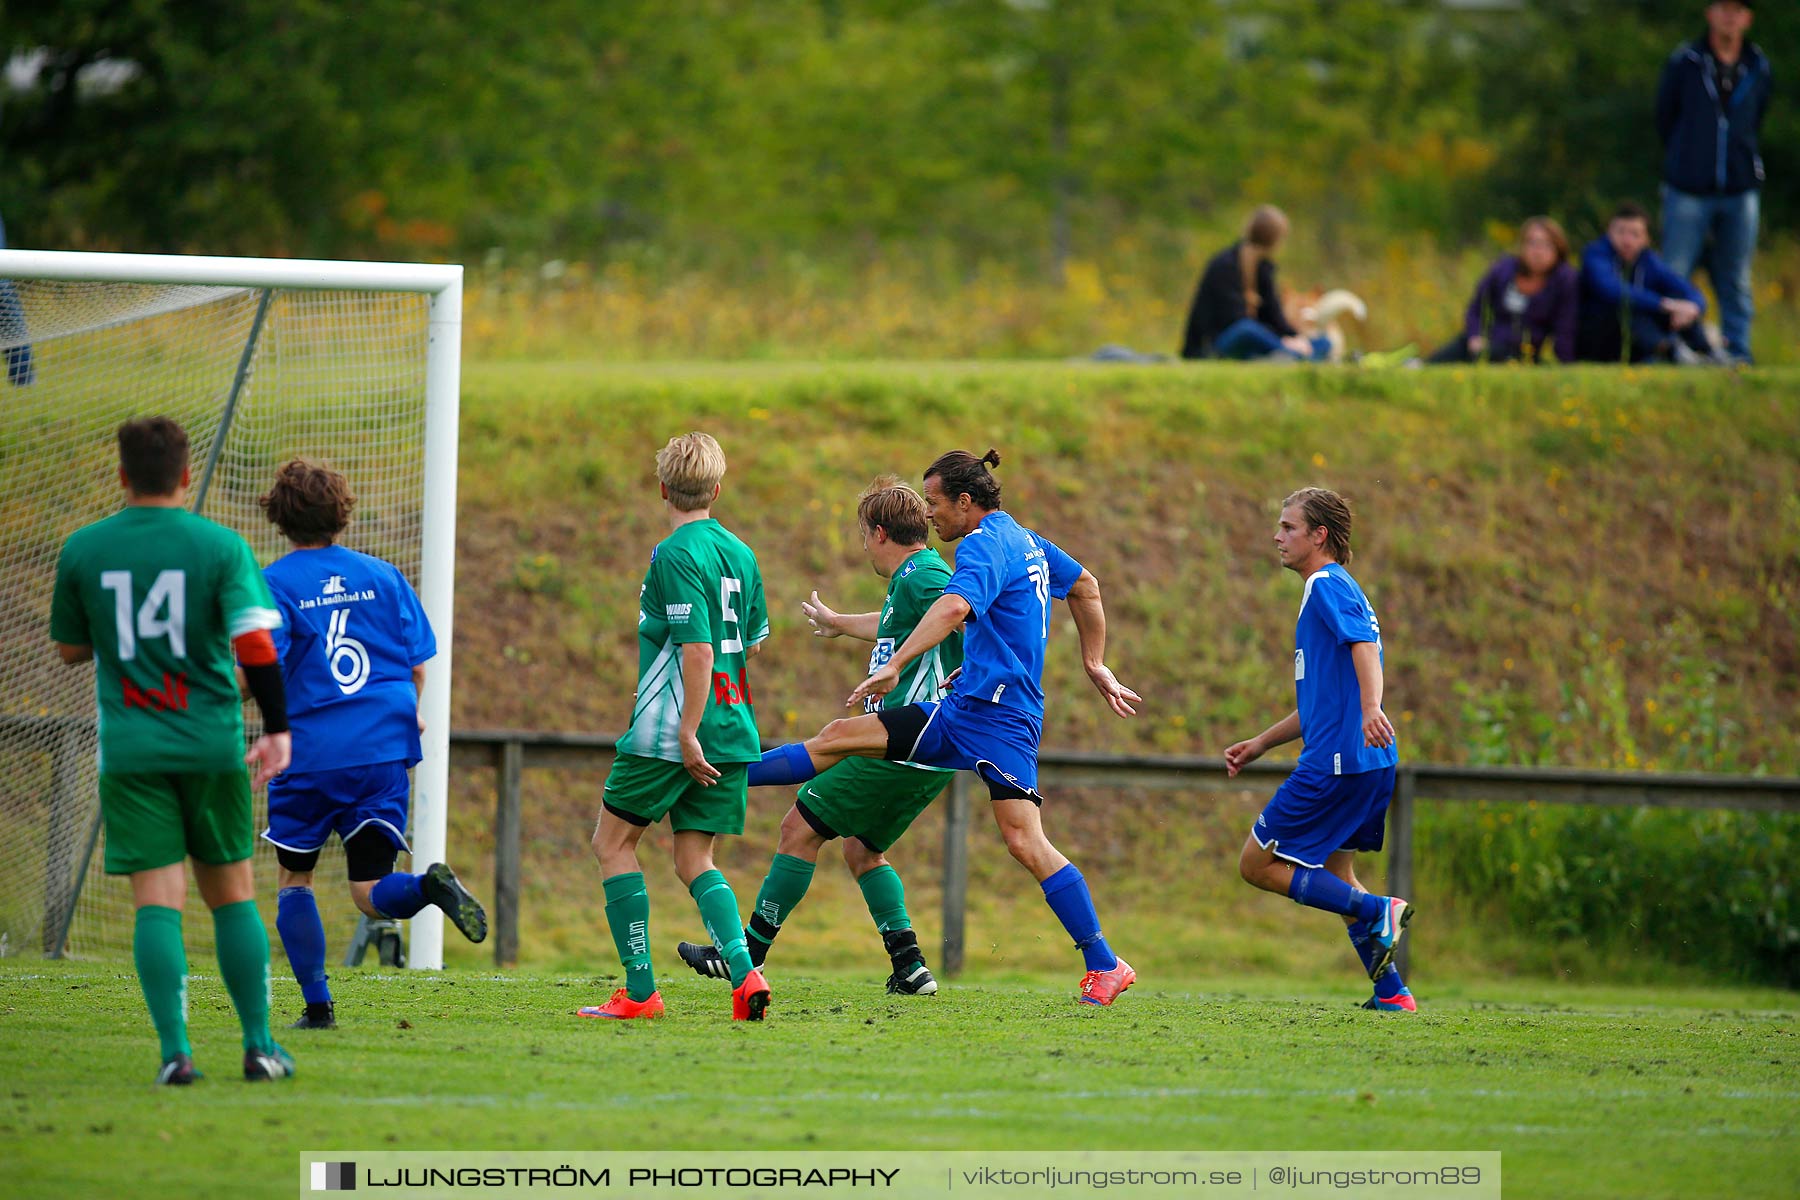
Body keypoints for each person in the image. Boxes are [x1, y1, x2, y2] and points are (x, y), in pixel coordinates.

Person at [745, 450, 1143, 1005]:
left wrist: (895, 663)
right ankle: (722, 778)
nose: (928, 515)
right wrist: (1093, 662)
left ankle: (1105, 963)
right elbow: (1087, 588)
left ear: (964, 501)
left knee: (1025, 841)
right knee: (840, 735)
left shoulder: (982, 544)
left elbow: (955, 608)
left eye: (933, 502)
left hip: (1001, 719)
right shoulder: (1027, 540)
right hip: (963, 710)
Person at [49, 417, 296, 1083]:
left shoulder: (84, 549)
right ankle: (259, 1047)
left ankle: (175, 1056)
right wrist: (277, 728)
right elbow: (255, 645)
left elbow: (71, 649)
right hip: (211, 743)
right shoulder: (219, 546)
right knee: (233, 895)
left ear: (123, 475)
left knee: (156, 901)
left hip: (130, 750)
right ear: (186, 476)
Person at [677, 477, 961, 995]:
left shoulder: (923, 574)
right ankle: (910, 965)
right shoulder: (915, 579)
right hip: (925, 753)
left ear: (878, 533)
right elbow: (902, 623)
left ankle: (743, 953)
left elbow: (960, 613)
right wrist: (837, 622)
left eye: (862, 536)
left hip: (905, 742)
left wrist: (977, 670)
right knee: (861, 850)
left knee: (798, 827)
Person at [256, 459, 487, 1031]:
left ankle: (318, 1007)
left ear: (279, 518)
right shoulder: (384, 577)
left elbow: (262, 667)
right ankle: (427, 887)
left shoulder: (273, 583)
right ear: (342, 512)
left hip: (308, 754)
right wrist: (408, 713)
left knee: (295, 879)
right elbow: (417, 666)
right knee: (369, 890)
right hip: (383, 749)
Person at [578, 432, 772, 1021]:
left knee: (612, 845)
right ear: (717, 488)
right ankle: (745, 976)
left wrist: (687, 728)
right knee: (694, 860)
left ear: (662, 486)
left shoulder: (674, 553)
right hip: (734, 724)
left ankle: (640, 991)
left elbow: (697, 648)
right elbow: (751, 643)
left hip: (673, 728)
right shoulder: (741, 552)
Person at [1224, 488, 1414, 1012]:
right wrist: (1263, 742)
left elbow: (1364, 647)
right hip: (1367, 763)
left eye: (1288, 527)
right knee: (1337, 878)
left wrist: (1373, 707)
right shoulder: (1334, 589)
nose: (1277, 536)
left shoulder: (1326, 584)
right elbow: (1324, 701)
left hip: (1338, 764)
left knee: (1257, 865)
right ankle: (1392, 992)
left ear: (1318, 536)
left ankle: (1379, 910)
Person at [1656, 1, 1771, 364]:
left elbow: (1757, 117)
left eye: (1738, 10)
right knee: (1675, 270)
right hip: (1689, 187)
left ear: (1747, 18)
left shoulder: (1758, 65)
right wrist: (1687, 158)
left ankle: (1738, 351)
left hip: (1739, 188)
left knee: (1735, 275)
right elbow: (1664, 115)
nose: (1730, 17)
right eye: (1723, 8)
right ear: (1710, 13)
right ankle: (1667, 347)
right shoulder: (1686, 61)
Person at [1180, 205, 1329, 362]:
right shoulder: (1224, 266)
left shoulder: (1264, 269)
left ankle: (1286, 356)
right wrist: (1282, 341)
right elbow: (1233, 320)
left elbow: (1274, 315)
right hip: (1215, 346)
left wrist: (1296, 338)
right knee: (1247, 329)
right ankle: (1293, 356)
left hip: (1258, 342)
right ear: (1275, 240)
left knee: (1324, 342)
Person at [1423, 218, 1578, 364]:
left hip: (1522, 351)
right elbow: (1476, 309)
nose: (1538, 252)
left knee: (1491, 354)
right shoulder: (1504, 269)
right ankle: (1417, 365)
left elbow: (1565, 328)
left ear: (1558, 248)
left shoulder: (1565, 280)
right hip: (1487, 341)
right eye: (1532, 243)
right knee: (1454, 351)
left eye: (1546, 244)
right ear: (1522, 246)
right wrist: (1475, 336)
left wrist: (1566, 362)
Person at [1576, 201, 1715, 364]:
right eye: (1621, 232)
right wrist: (1662, 304)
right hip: (1598, 336)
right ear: (1609, 232)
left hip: (1637, 337)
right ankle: (1672, 352)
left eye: (1635, 234)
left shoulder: (1649, 260)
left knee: (1675, 298)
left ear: (1646, 238)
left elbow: (1687, 289)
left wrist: (1694, 307)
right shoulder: (1595, 254)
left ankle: (1707, 352)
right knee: (1631, 305)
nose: (1627, 240)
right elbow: (1611, 290)